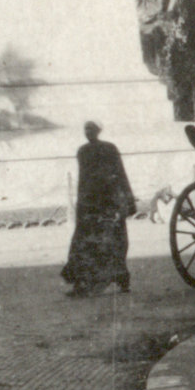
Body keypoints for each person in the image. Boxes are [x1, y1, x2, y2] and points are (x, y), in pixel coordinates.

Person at [61, 121, 135, 297]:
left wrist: (128, 198)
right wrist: (80, 205)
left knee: (112, 240)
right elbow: (83, 179)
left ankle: (119, 279)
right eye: (86, 130)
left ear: (97, 131)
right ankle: (83, 283)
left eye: (91, 129)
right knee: (86, 243)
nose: (88, 133)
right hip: (91, 203)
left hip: (107, 201)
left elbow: (120, 173)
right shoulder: (83, 151)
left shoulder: (108, 149)